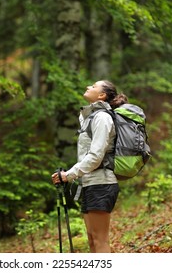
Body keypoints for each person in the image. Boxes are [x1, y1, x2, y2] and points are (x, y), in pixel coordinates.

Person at [51, 80, 127, 253]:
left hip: (102, 183)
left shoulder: (102, 118)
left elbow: (95, 156)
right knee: (92, 240)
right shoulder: (90, 118)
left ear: (102, 95)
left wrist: (69, 175)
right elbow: (89, 156)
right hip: (90, 184)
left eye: (93, 86)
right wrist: (66, 174)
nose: (88, 87)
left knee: (100, 241)